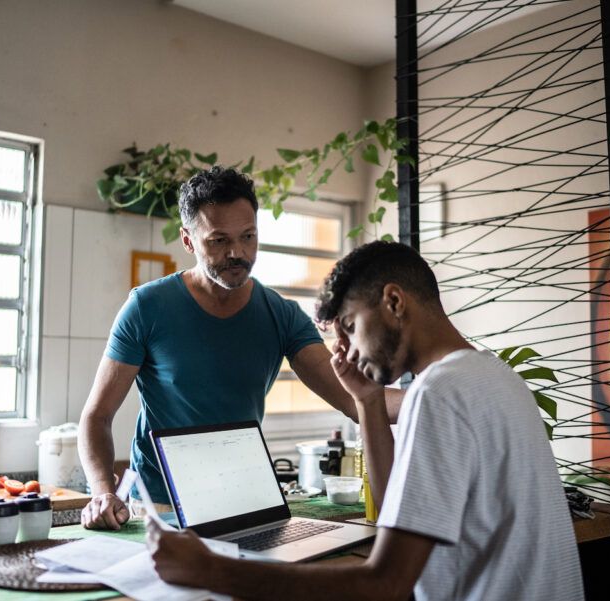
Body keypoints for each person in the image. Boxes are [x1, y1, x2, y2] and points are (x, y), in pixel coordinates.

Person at [146, 240, 584, 601]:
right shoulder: (494, 376)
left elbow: (386, 584)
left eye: (351, 326)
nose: (346, 351)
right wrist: (369, 402)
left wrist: (211, 571)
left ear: (393, 301)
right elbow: (399, 506)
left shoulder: (438, 394)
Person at [79, 167, 403, 530]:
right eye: (218, 241)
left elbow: (355, 399)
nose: (238, 252)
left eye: (248, 236)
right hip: (160, 506)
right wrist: (102, 491)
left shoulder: (281, 314)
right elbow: (97, 417)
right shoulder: (146, 308)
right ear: (188, 241)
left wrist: (436, 395)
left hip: (243, 501)